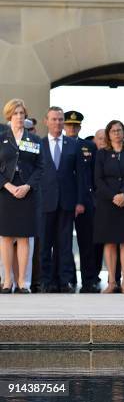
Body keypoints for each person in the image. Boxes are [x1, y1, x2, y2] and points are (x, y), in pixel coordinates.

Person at [39, 106, 86, 293]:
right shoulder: (39, 144)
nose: (57, 122)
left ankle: (64, 280)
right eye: (54, 119)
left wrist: (80, 201)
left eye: (60, 119)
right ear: (46, 121)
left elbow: (81, 176)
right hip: (45, 201)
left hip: (67, 201)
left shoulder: (72, 144)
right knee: (45, 244)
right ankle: (45, 281)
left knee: (65, 244)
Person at [0, 99, 43, 294]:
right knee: (6, 237)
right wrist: (8, 186)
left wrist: (27, 186)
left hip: (27, 193)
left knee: (25, 237)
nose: (19, 116)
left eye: (21, 113)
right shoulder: (1, 138)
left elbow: (40, 168)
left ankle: (22, 282)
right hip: (6, 192)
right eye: (15, 113)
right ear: (9, 116)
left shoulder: (34, 140)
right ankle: (7, 281)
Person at [94, 120, 124, 293]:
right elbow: (98, 179)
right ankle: (112, 281)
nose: (116, 133)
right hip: (108, 202)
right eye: (113, 131)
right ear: (108, 134)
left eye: (119, 130)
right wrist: (113, 196)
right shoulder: (101, 154)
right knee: (110, 242)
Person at [63, 110, 100, 293]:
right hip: (65, 199)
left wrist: (93, 198)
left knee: (87, 242)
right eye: (69, 125)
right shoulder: (59, 145)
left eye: (75, 125)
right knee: (64, 242)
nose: (72, 128)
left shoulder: (88, 146)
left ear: (80, 127)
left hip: (86, 200)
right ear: (64, 126)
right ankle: (68, 279)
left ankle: (90, 280)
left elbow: (93, 175)